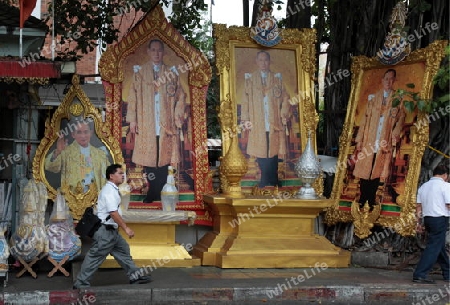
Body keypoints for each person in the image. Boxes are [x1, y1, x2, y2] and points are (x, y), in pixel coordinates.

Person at [126, 38, 186, 203]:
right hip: (147, 122)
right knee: (150, 157)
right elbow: (132, 98)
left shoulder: (171, 74)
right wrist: (133, 120)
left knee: (165, 156)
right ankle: (153, 189)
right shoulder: (140, 73)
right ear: (148, 51)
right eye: (153, 50)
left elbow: (181, 96)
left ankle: (161, 188)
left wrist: (177, 116)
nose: (156, 53)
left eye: (159, 50)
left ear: (163, 52)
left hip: (166, 122)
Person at [73, 164, 151, 288]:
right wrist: (126, 228)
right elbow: (113, 213)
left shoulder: (113, 189)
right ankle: (81, 283)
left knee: (123, 250)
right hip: (105, 232)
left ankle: (135, 276)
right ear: (111, 176)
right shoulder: (109, 191)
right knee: (95, 257)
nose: (122, 175)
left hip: (111, 231)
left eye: (122, 173)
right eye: (120, 173)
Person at [353, 68, 405, 210]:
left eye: (391, 79)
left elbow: (401, 119)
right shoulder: (373, 99)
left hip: (384, 141)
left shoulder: (397, 100)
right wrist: (359, 139)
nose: (388, 81)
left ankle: (371, 198)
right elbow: (364, 120)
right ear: (382, 80)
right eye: (386, 78)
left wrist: (395, 134)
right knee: (365, 170)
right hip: (369, 139)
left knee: (376, 170)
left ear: (394, 81)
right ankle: (363, 198)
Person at [240, 50, 290, 187]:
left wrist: (283, 112)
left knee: (273, 149)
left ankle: (273, 179)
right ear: (257, 62)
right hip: (257, 121)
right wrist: (245, 119)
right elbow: (245, 101)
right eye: (260, 60)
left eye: (266, 60)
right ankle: (265, 179)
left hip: (274, 120)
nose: (263, 63)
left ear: (269, 62)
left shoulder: (277, 79)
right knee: (261, 150)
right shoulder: (250, 80)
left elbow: (285, 98)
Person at [45, 120, 108, 192]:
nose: (83, 136)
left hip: (95, 197)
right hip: (72, 198)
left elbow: (107, 176)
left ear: (91, 133)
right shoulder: (66, 152)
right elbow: (50, 167)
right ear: (73, 134)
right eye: (79, 132)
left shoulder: (100, 154)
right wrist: (58, 152)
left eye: (86, 132)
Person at [412, 163, 450, 284]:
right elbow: (449, 204)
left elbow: (418, 207)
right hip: (439, 219)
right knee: (434, 246)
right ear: (445, 175)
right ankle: (420, 274)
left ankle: (448, 272)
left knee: (439, 246)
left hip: (428, 219)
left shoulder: (424, 186)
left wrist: (418, 223)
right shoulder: (445, 186)